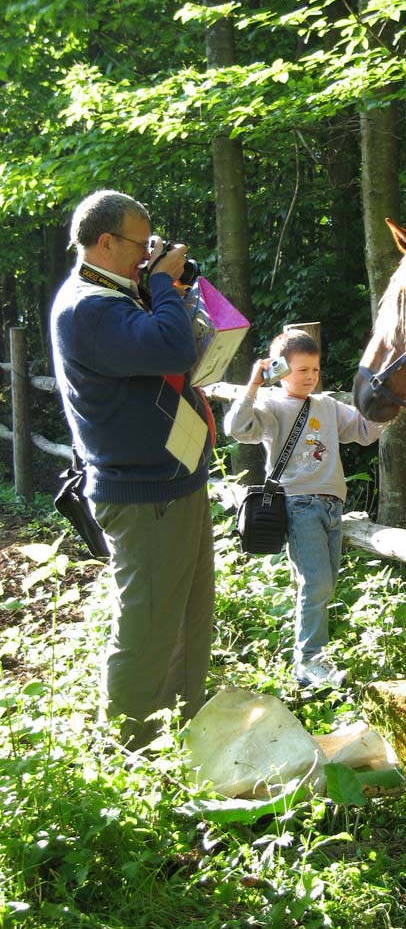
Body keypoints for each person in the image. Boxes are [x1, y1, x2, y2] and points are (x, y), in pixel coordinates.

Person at [49, 189, 216, 749]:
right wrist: (164, 285)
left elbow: (173, 341)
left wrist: (166, 288)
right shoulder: (86, 309)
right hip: (144, 495)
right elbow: (173, 349)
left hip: (176, 480)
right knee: (146, 633)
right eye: (142, 246)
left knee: (191, 620)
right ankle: (130, 754)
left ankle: (185, 735)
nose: (149, 256)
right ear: (104, 242)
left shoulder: (118, 294)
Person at [224, 329, 386, 688]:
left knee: (326, 585)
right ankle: (308, 662)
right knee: (315, 583)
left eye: (315, 369)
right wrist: (252, 384)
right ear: (280, 370)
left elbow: (364, 430)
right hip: (298, 505)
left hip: (332, 505)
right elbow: (236, 428)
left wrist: (392, 405)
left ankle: (314, 657)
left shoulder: (327, 406)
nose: (311, 377)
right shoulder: (269, 406)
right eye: (302, 370)